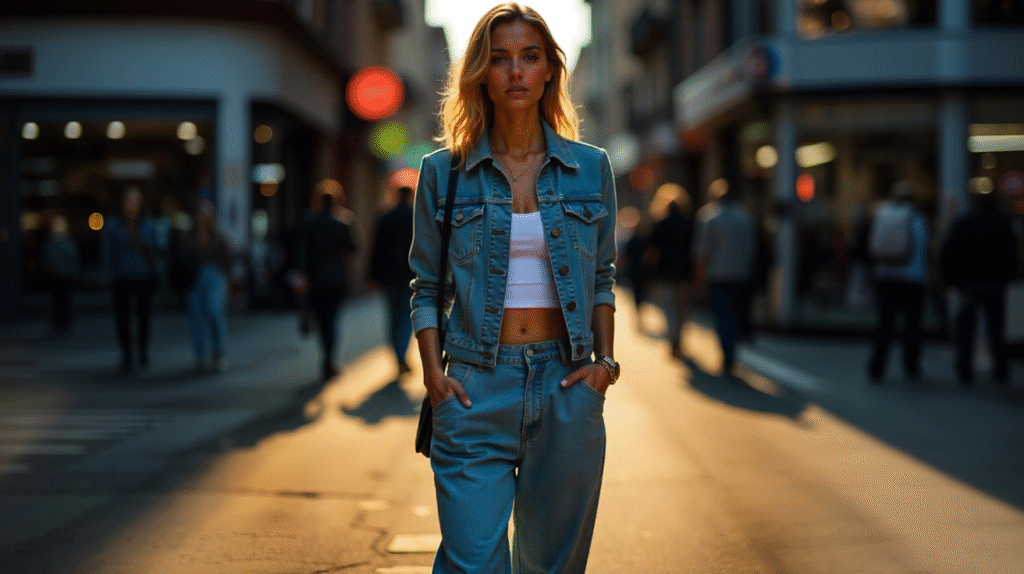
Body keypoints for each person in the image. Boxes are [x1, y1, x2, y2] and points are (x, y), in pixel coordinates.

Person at [408, 4, 618, 572]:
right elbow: (425, 285)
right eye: (500, 60)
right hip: (475, 382)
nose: (516, 72)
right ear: (481, 74)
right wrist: (433, 376)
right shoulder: (443, 173)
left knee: (552, 564)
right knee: (473, 560)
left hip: (567, 383)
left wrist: (606, 365)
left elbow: (601, 276)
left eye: (530, 57)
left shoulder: (591, 167)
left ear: (550, 68)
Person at [941, 186, 1019, 385]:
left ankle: (965, 367)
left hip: (969, 283)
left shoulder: (964, 221)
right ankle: (1001, 368)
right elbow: (1012, 253)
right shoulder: (1002, 222)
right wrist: (1011, 277)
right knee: (997, 328)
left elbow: (949, 251)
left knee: (966, 328)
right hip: (995, 283)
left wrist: (950, 279)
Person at [866, 180, 929, 383]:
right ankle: (911, 365)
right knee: (912, 325)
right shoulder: (917, 219)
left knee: (884, 324)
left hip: (886, 277)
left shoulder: (883, 215)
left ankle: (877, 366)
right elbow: (924, 248)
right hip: (912, 280)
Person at [693, 178, 756, 375]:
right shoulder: (744, 216)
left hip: (718, 275)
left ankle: (727, 357)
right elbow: (752, 247)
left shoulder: (709, 217)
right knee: (735, 315)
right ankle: (732, 355)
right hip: (740, 275)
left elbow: (701, 253)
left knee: (723, 317)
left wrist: (699, 280)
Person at [296, 191, 357, 381]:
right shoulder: (342, 223)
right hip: (336, 278)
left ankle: (326, 359)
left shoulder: (309, 222)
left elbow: (301, 251)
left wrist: (301, 274)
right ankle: (329, 361)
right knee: (331, 320)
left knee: (322, 320)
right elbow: (353, 248)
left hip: (315, 278)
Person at [100, 185, 161, 373]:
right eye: (129, 200)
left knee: (143, 316)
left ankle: (142, 350)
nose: (132, 205)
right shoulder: (114, 224)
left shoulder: (148, 224)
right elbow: (107, 250)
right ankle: (126, 352)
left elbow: (158, 247)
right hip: (122, 276)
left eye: (135, 201)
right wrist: (108, 271)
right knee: (122, 317)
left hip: (143, 276)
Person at [179, 201, 232, 373]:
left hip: (215, 276)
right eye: (200, 214)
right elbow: (181, 258)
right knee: (196, 317)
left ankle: (218, 351)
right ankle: (200, 355)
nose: (202, 218)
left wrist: (222, 273)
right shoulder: (188, 237)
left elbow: (227, 259)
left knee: (214, 310)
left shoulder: (218, 237)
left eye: (205, 214)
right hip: (195, 278)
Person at [369, 185, 416, 376]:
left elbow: (376, 249)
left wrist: (371, 277)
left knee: (392, 316)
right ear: (411, 196)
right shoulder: (416, 217)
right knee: (406, 316)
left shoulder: (384, 217)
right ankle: (400, 355)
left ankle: (398, 355)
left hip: (388, 277)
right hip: (409, 275)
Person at [647, 184, 695, 358]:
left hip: (664, 272)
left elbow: (652, 251)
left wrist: (650, 275)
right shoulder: (688, 223)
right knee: (682, 309)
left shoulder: (660, 224)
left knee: (668, 308)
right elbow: (694, 251)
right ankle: (678, 337)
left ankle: (673, 336)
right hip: (683, 272)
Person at [40, 214, 81, 334]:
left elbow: (73, 260)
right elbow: (46, 259)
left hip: (65, 277)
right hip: (54, 277)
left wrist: (74, 274)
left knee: (64, 301)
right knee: (56, 302)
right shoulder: (50, 243)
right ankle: (58, 323)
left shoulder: (68, 243)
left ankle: (64, 324)